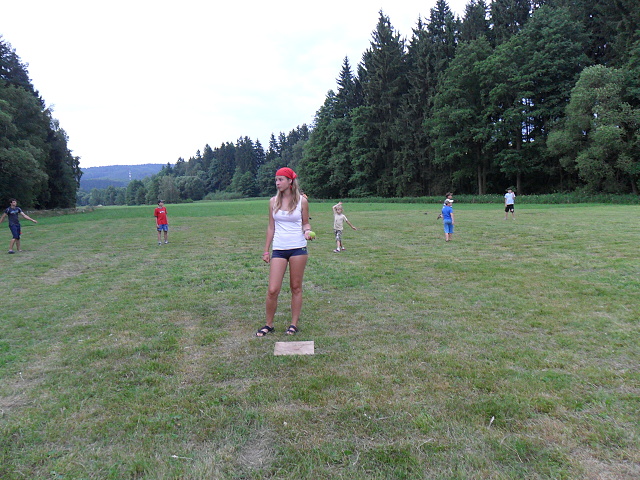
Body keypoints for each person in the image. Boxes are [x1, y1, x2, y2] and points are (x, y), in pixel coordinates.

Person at [256, 167, 312, 337]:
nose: (277, 183)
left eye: (281, 179)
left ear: (290, 181)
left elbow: (305, 223)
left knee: (296, 287)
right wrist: (266, 250)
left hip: (298, 248)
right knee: (273, 289)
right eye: (276, 180)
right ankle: (269, 324)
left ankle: (293, 324)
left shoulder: (302, 201)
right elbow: (271, 227)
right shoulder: (273, 202)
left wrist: (307, 231)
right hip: (279, 249)